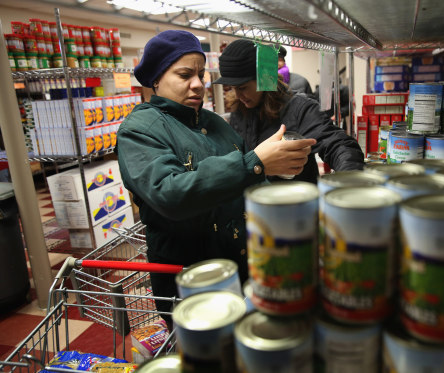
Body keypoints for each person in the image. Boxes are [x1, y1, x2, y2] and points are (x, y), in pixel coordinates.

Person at [116, 30, 315, 327]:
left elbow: (252, 182)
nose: (198, 84)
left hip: (242, 267)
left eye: (201, 74)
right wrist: (256, 163)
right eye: (184, 75)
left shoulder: (213, 123)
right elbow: (170, 194)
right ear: (157, 79)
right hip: (192, 280)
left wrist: (281, 179)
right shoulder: (140, 129)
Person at [213, 39, 364, 183]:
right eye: (233, 88)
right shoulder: (240, 112)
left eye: (243, 88)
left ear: (264, 78)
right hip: (255, 204)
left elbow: (338, 145)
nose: (238, 96)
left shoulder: (299, 108)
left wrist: (349, 180)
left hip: (296, 204)